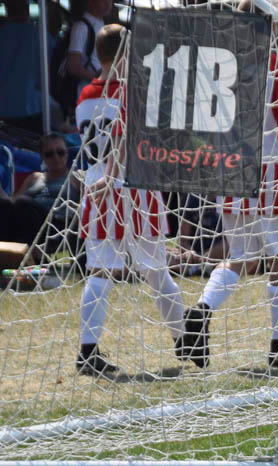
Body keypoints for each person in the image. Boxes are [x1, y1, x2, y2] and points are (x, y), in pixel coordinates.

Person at [181, 1, 278, 373]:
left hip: (231, 174)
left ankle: (201, 312)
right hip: (270, 173)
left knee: (241, 257)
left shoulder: (219, 66)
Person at [74, 24, 192, 376]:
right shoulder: (134, 92)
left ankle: (87, 350)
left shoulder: (84, 95)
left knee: (100, 271)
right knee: (156, 270)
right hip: (134, 185)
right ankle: (186, 340)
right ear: (127, 53)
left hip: (96, 186)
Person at [0, 132, 80, 258]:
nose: (56, 157)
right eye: (49, 154)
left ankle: (38, 255)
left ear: (67, 154)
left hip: (56, 227)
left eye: (60, 152)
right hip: (27, 222)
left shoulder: (75, 178)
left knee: (23, 203)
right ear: (42, 156)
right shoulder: (34, 177)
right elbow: (11, 203)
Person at [0, 0, 45, 133]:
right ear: (26, 9)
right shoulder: (41, 35)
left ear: (7, 10)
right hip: (33, 105)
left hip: (2, 107)